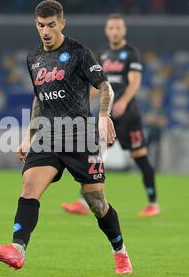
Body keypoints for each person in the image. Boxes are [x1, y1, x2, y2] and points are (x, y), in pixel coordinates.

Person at [0, 0, 132, 274]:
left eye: (51, 25)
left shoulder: (78, 52)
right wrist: (29, 136)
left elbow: (105, 87)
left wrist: (102, 117)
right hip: (48, 136)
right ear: (36, 25)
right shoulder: (34, 58)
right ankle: (17, 249)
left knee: (97, 203)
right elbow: (39, 99)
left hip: (79, 136)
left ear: (62, 24)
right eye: (41, 25)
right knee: (29, 187)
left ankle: (120, 250)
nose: (46, 31)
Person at [61, 13, 160, 217]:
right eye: (111, 28)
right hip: (108, 116)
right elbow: (100, 85)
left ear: (124, 31)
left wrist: (123, 101)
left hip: (129, 116)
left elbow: (134, 82)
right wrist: (80, 99)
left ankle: (153, 203)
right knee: (95, 157)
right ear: (107, 31)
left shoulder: (131, 53)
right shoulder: (104, 55)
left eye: (118, 28)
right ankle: (82, 201)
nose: (115, 31)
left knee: (140, 157)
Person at [144, 90, 167, 170]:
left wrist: (152, 120)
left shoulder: (162, 110)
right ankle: (146, 167)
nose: (157, 101)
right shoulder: (148, 109)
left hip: (158, 133)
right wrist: (156, 120)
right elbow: (145, 119)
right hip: (149, 133)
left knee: (157, 152)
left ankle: (157, 168)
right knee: (146, 151)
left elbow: (162, 122)